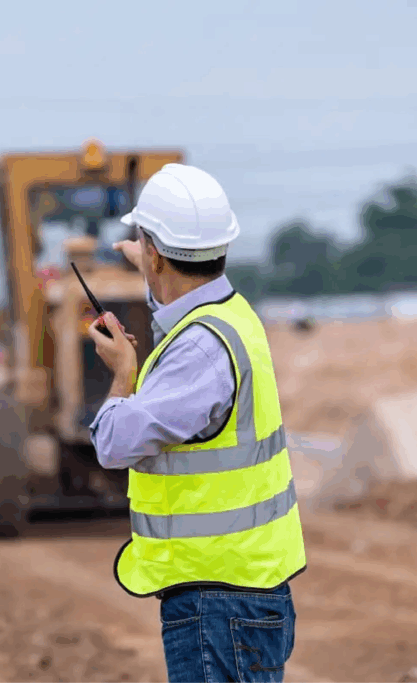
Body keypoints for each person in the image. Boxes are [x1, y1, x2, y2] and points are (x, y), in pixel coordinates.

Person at [87, 163, 306, 683]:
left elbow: (114, 444)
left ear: (156, 252)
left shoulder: (198, 351)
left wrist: (123, 375)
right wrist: (152, 265)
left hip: (218, 602)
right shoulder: (234, 317)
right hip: (244, 589)